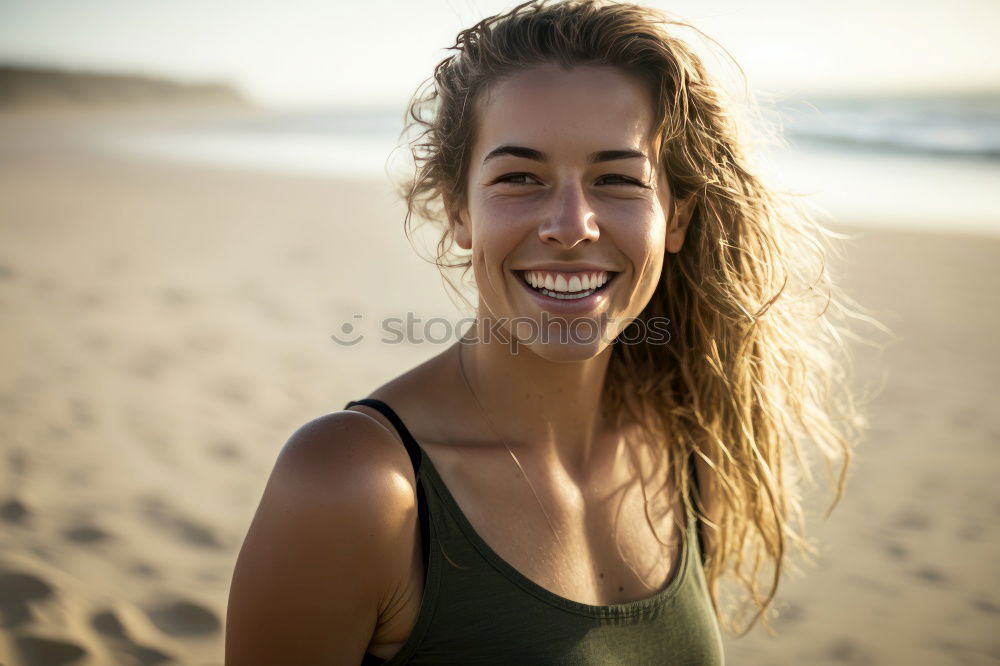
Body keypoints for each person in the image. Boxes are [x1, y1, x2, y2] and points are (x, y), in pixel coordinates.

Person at [226, 1, 869, 663]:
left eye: (617, 179)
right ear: (459, 211)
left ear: (675, 218)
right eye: (520, 178)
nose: (571, 225)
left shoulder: (686, 442)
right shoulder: (353, 484)